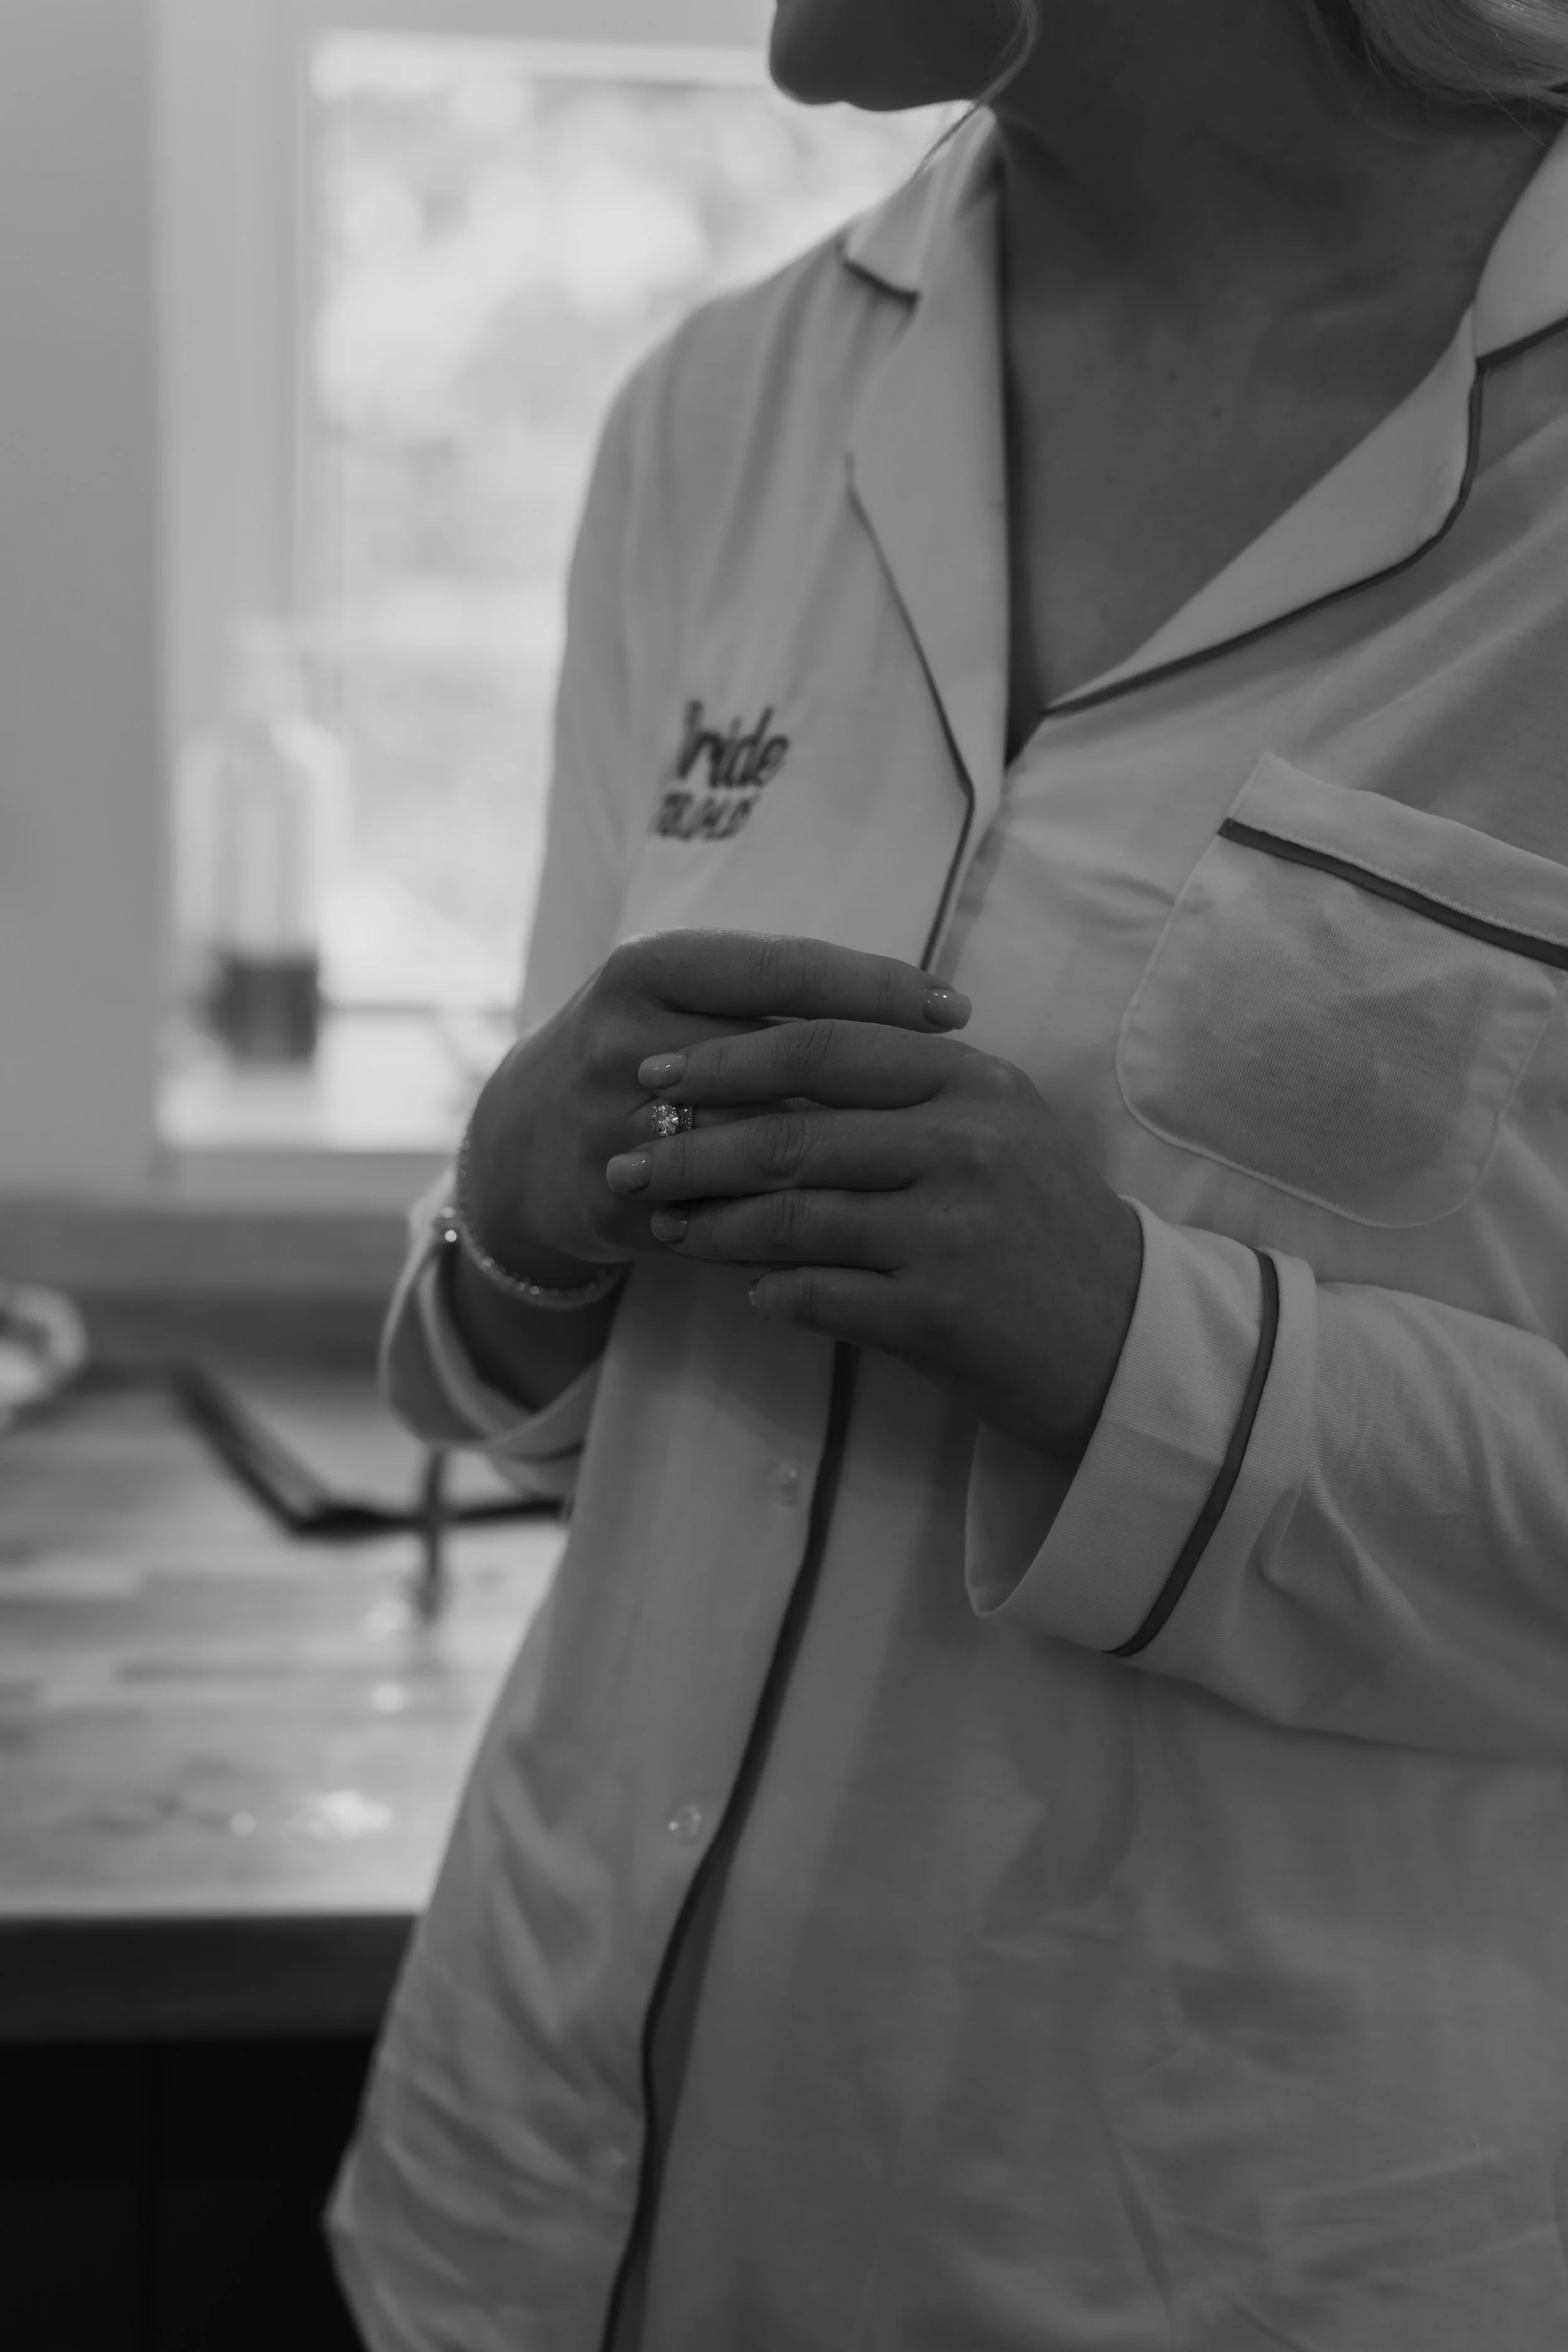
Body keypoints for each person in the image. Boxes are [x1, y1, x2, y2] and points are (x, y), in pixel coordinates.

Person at [329, 2, 1568, 2343]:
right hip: (534, 2202)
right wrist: (513, 1206)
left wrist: (1138, 1351)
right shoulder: (727, 406)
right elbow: (526, 1359)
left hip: (1202, 2245)